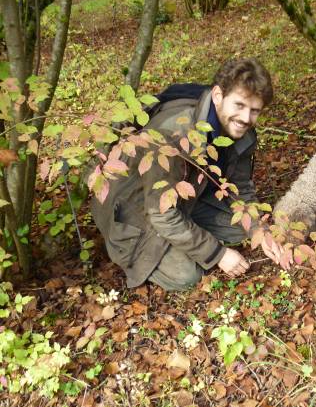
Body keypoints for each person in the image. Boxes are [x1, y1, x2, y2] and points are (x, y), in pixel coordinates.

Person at [91, 58, 288, 291]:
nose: (246, 118)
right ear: (217, 96)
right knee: (186, 276)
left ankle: (187, 232)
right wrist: (218, 254)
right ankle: (144, 247)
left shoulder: (242, 133)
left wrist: (258, 229)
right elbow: (162, 214)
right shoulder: (173, 135)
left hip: (186, 196)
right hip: (132, 209)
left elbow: (240, 186)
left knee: (240, 229)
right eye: (239, 105)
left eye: (254, 111)